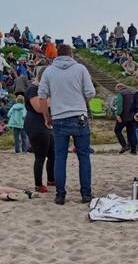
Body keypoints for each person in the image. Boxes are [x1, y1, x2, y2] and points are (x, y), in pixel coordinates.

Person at [38, 44, 95, 205]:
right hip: (79, 115)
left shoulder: (49, 71)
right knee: (84, 156)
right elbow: (91, 92)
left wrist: (46, 116)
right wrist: (81, 99)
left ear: (57, 55)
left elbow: (42, 96)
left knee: (60, 158)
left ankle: (60, 194)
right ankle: (86, 194)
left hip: (59, 117)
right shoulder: (80, 69)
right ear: (71, 54)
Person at [25, 70, 55, 194]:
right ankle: (38, 184)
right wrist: (52, 98)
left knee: (53, 153)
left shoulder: (43, 89)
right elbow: (38, 108)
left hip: (46, 124)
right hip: (36, 124)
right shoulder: (33, 89)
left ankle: (51, 179)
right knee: (40, 156)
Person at [114, 83, 138, 154]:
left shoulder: (120, 94)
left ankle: (124, 145)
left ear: (119, 87)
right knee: (131, 133)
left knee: (117, 130)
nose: (116, 90)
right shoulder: (132, 93)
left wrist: (118, 115)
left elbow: (119, 106)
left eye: (116, 88)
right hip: (132, 116)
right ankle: (133, 150)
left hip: (123, 116)